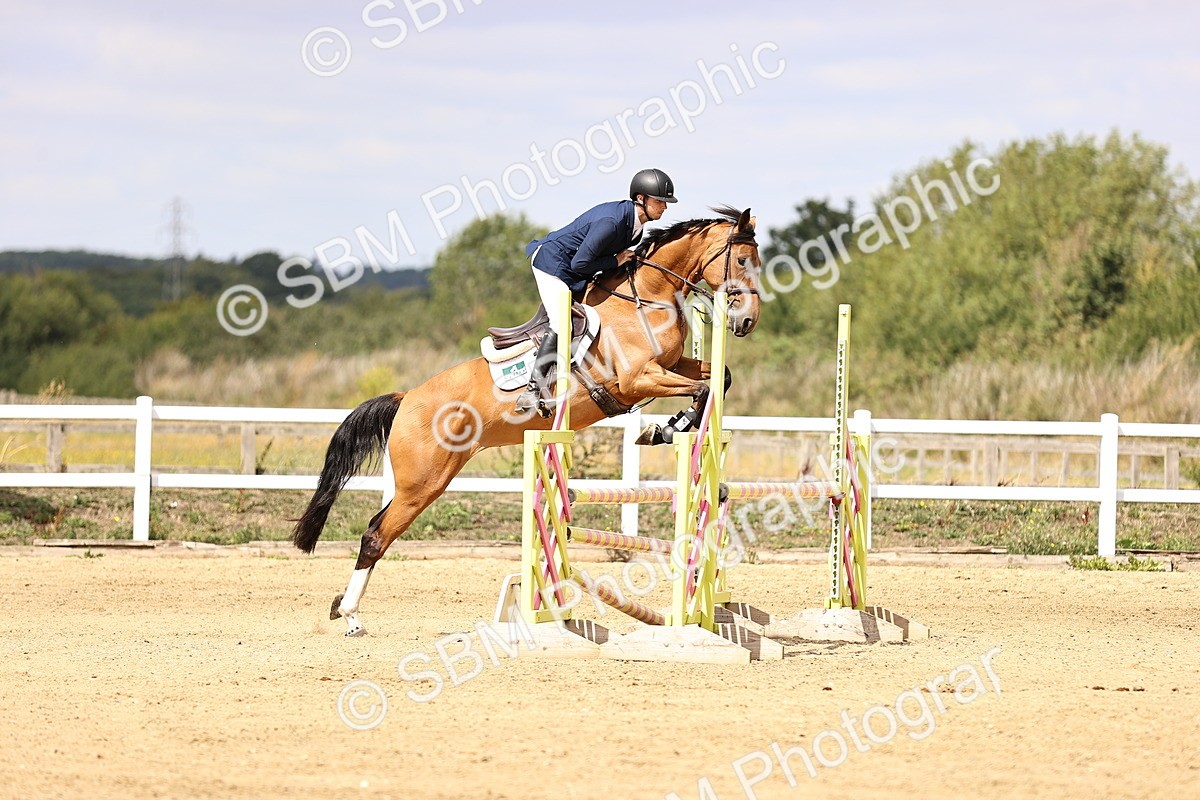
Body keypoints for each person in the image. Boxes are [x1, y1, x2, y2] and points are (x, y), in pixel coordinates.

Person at [513, 168, 678, 414]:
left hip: (577, 269)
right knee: (562, 325)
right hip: (552, 264)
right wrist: (616, 260)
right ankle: (531, 391)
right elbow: (579, 263)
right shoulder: (612, 222)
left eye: (666, 203)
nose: (664, 208)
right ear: (641, 198)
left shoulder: (636, 228)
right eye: (660, 201)